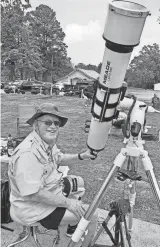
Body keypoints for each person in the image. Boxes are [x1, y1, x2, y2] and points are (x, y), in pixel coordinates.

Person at [8, 103, 98, 247]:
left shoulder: (46, 142)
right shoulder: (28, 154)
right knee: (91, 216)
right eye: (48, 122)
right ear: (35, 125)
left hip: (50, 192)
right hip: (33, 208)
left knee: (78, 182)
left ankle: (68, 228)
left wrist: (82, 156)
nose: (53, 126)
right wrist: (69, 203)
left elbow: (59, 158)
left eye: (56, 123)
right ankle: (78, 234)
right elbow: (33, 194)